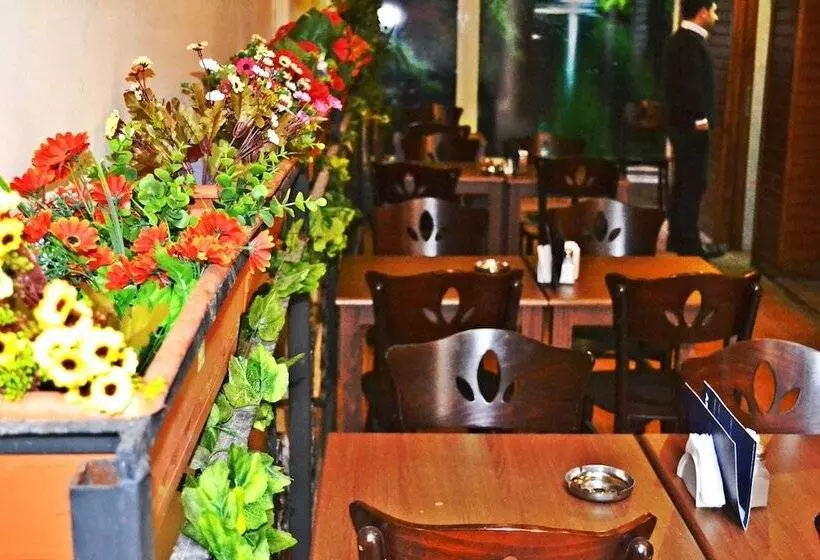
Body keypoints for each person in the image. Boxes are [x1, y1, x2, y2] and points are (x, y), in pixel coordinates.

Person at [663, 0, 719, 256]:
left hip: (683, 125)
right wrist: (699, 119)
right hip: (691, 127)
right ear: (702, 12)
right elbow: (690, 87)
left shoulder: (683, 40)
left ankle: (679, 237)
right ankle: (688, 242)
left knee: (685, 181)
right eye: (714, 11)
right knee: (693, 182)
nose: (716, 17)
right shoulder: (689, 43)